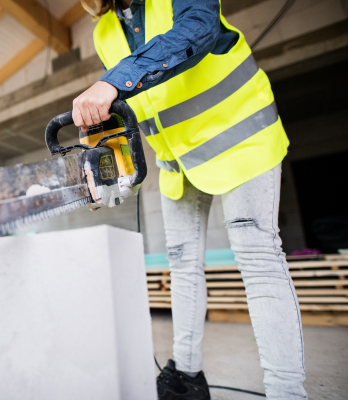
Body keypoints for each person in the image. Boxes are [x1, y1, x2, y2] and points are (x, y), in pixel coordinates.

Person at [75, 0, 307, 399]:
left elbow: (197, 30)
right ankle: (187, 376)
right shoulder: (104, 32)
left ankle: (287, 391)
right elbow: (129, 102)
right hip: (177, 162)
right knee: (182, 266)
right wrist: (104, 157)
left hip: (240, 136)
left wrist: (114, 81)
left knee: (257, 259)